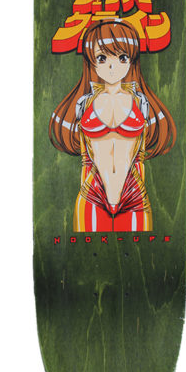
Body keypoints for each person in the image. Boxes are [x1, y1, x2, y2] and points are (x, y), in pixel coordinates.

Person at [49, 19, 176, 232]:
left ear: (131, 60)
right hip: (92, 195)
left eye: (122, 57)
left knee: (141, 249)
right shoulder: (83, 104)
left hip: (134, 196)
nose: (112, 65)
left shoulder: (141, 103)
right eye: (102, 57)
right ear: (91, 62)